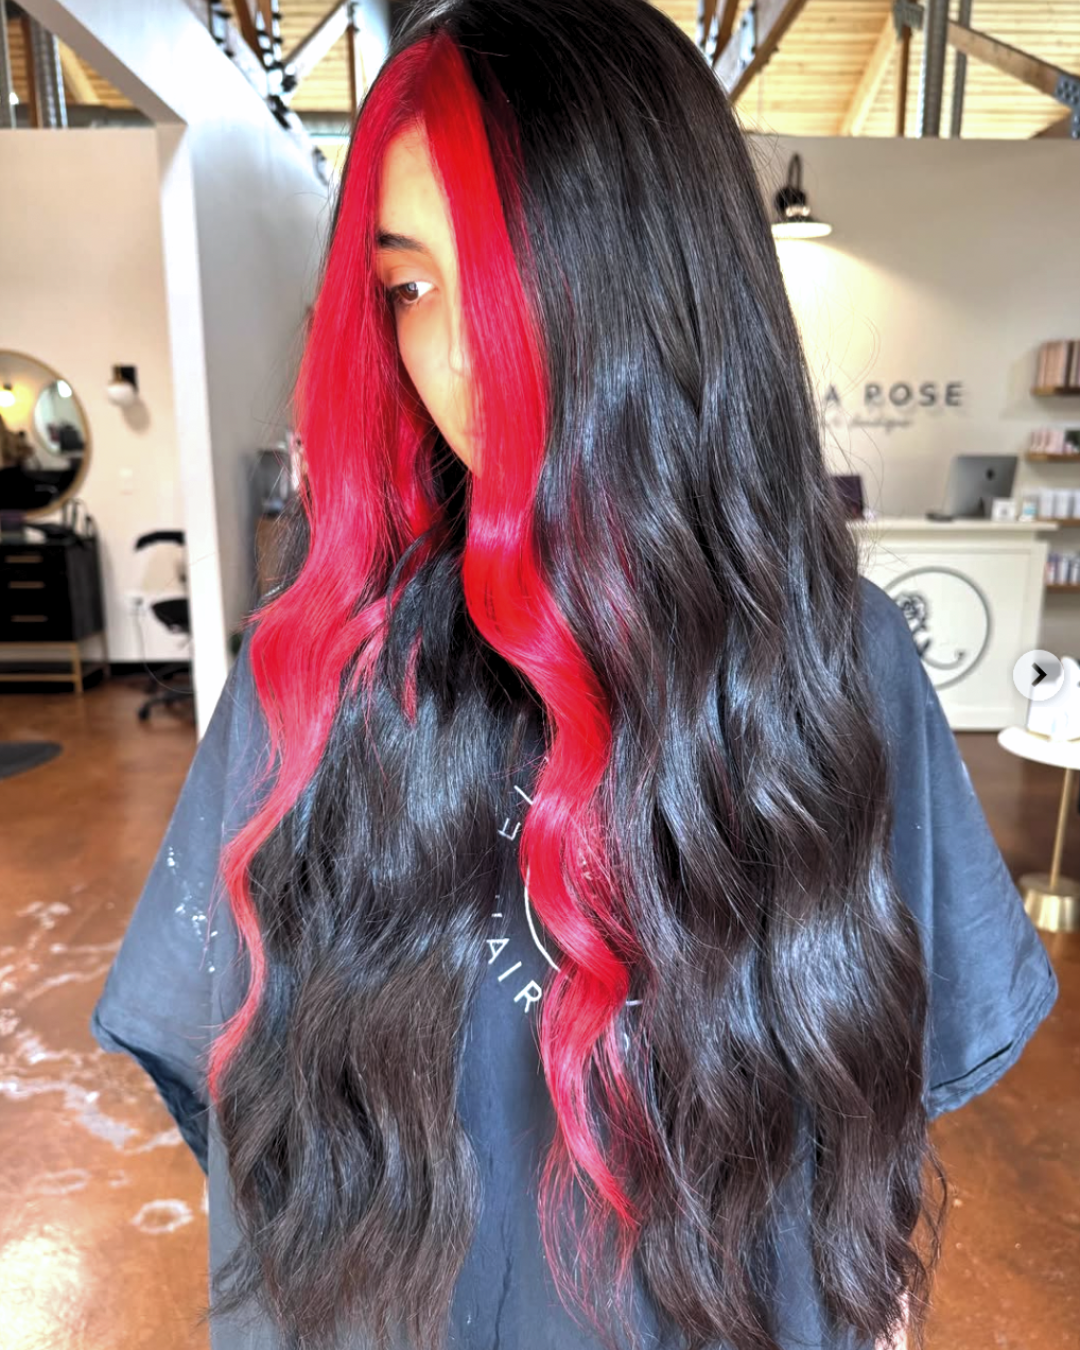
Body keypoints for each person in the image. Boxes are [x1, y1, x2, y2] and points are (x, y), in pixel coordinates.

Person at [90, 3, 1059, 1349]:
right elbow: (239, 1117)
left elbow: (874, 1127)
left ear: (661, 281)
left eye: (510, 274)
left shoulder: (841, 668)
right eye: (411, 287)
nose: (457, 356)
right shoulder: (313, 678)